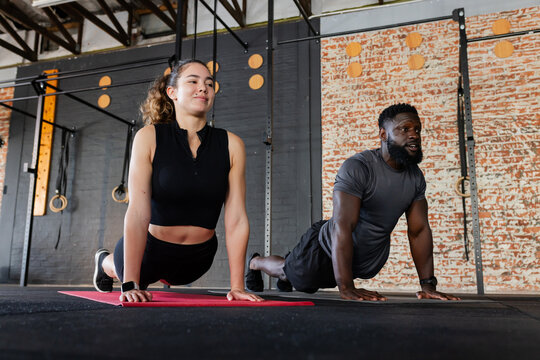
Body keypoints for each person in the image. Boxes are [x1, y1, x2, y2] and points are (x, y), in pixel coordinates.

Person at [246, 103, 460, 301]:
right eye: (404, 129)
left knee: (297, 277)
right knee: (290, 272)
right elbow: (343, 226)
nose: (414, 135)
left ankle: (290, 274)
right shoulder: (358, 167)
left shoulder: (415, 178)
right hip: (325, 249)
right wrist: (346, 286)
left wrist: (428, 285)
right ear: (383, 134)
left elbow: (419, 231)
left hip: (360, 261)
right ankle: (256, 262)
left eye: (417, 129)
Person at [93, 59, 263, 303]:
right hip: (148, 254)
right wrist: (129, 282)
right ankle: (104, 262)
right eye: (193, 81)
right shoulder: (149, 137)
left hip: (197, 260)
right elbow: (138, 212)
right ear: (172, 93)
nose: (203, 88)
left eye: (209, 84)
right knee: (124, 273)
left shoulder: (232, 144)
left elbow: (236, 218)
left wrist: (237, 286)